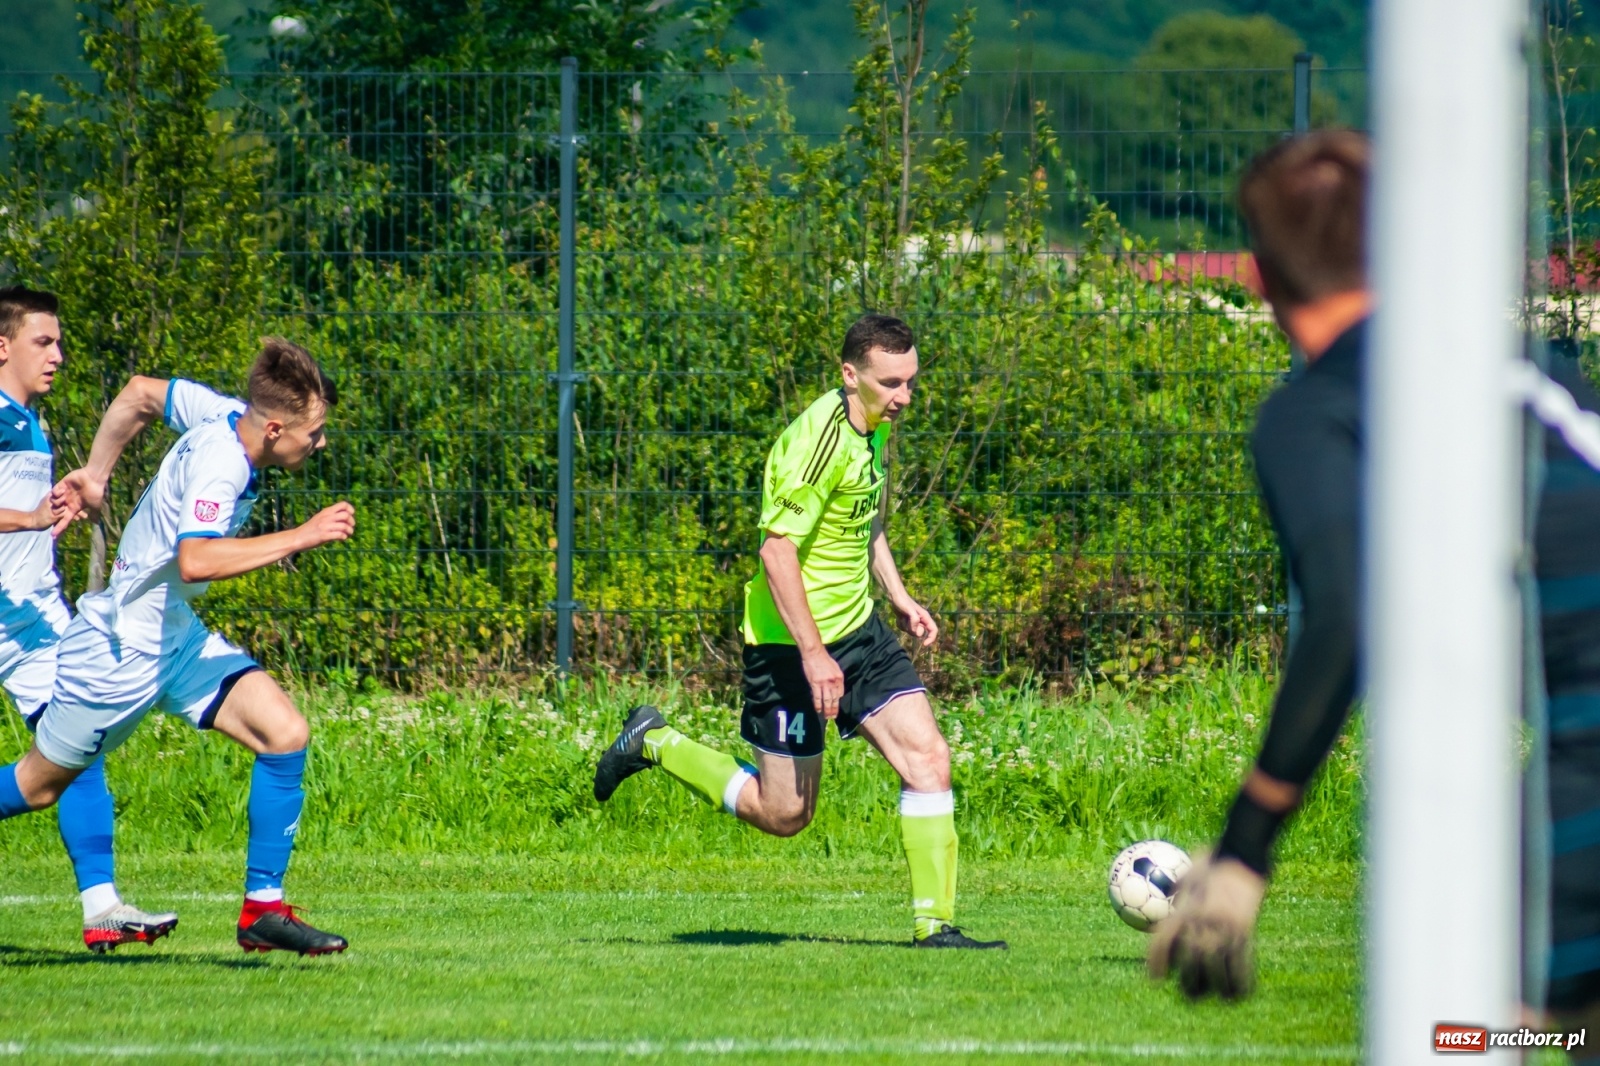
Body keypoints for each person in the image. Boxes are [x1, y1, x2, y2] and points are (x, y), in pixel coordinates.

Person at [592, 313, 1005, 949]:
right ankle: (655, 741)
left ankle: (935, 927)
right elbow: (776, 553)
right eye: (891, 383)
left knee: (928, 758)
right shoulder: (818, 442)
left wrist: (898, 596)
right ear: (850, 375)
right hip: (790, 646)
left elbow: (863, 519)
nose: (904, 397)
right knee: (785, 813)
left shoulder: (874, 427)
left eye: (911, 381)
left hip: (858, 633)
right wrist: (813, 655)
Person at [0, 338, 355, 955]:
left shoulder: (221, 411)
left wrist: (96, 475)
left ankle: (262, 911)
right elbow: (196, 561)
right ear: (275, 429)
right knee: (38, 786)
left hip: (174, 636)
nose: (320, 443)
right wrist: (301, 535)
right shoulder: (223, 463)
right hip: (117, 655)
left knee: (285, 732)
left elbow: (140, 392)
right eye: (314, 433)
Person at [1147, 131, 1371, 998]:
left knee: (1475, 1029)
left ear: (1261, 278)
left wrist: (1244, 847)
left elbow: (1347, 614)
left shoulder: (1314, 412)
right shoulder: (1527, 368)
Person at [0, 285, 178, 951]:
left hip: (32, 622)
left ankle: (102, 906)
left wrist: (48, 517)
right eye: (43, 342)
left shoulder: (27, 419)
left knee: (76, 746)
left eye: (59, 343)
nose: (58, 356)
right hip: (16, 619)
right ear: (2, 346)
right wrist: (28, 519)